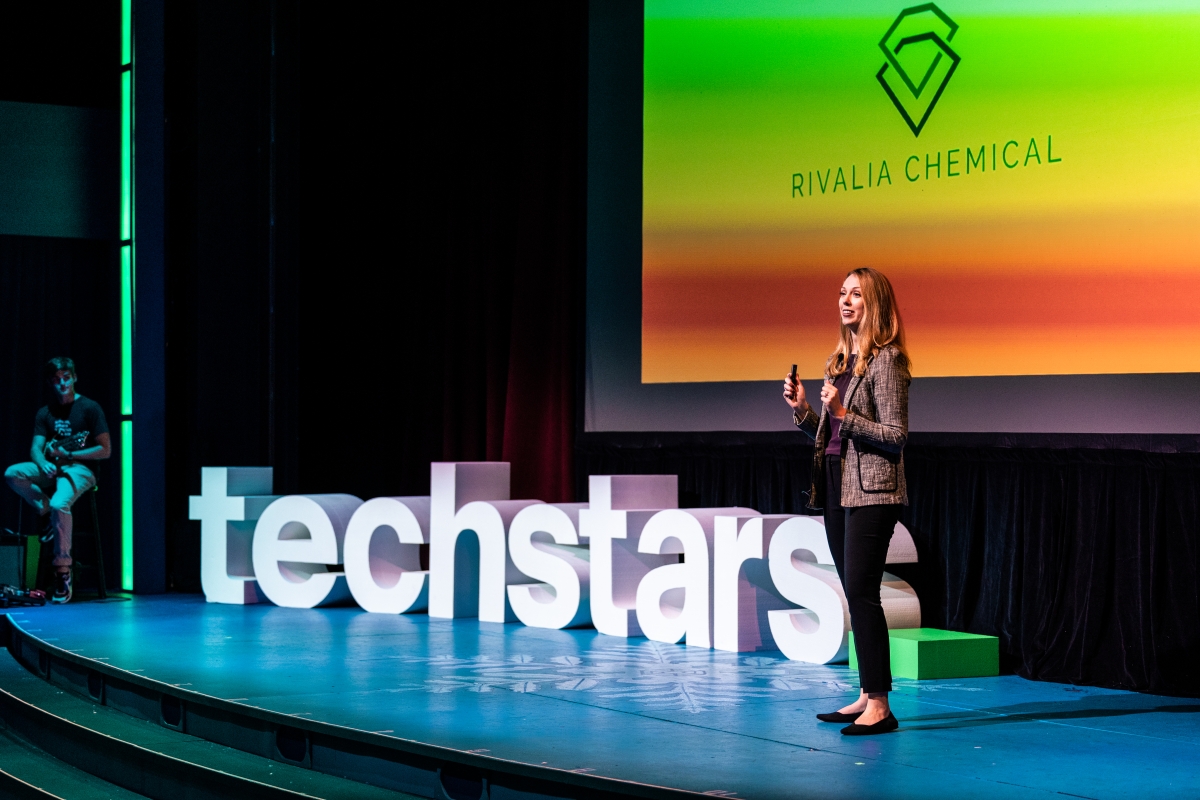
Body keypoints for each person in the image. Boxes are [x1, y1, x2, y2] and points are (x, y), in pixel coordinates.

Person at [783, 267, 911, 736]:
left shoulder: (888, 361)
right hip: (838, 486)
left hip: (875, 491)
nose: (845, 300)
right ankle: (865, 693)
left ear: (873, 303)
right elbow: (830, 437)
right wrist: (805, 415)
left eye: (856, 294)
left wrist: (842, 413)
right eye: (841, 292)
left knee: (862, 592)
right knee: (852, 595)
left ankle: (881, 704)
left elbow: (895, 437)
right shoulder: (837, 361)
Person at [5, 357, 111, 604]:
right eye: (56, 380)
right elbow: (35, 448)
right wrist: (43, 463)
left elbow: (105, 450)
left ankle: (63, 570)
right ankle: (42, 505)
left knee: (59, 504)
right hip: (53, 465)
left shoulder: (89, 408)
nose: (62, 384)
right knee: (13, 473)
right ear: (50, 382)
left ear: (74, 378)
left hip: (80, 468)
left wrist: (70, 454)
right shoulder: (46, 412)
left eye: (66, 378)